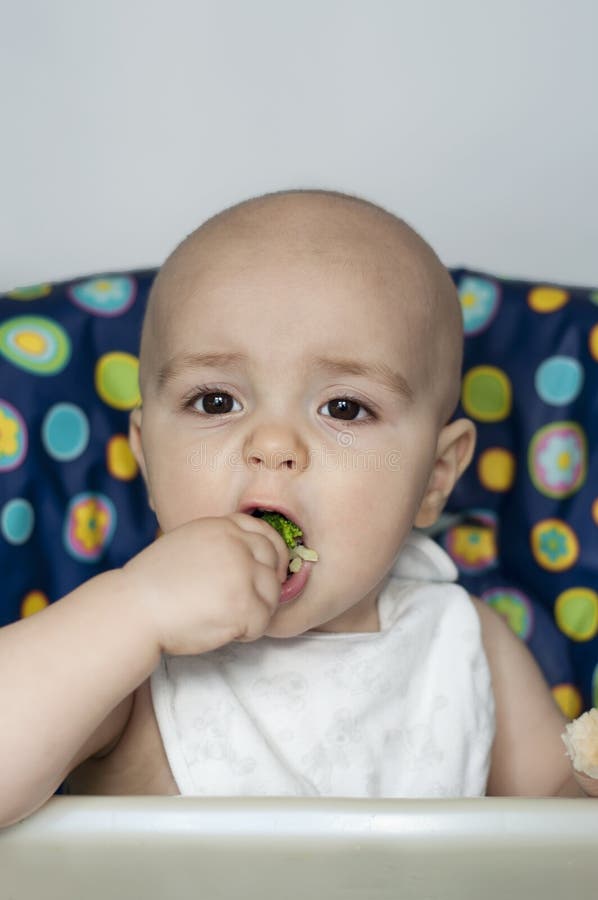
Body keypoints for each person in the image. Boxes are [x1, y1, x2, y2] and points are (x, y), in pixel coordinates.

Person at [0, 189, 591, 827]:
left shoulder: (464, 642)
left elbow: (556, 835)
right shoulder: (120, 655)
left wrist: (583, 784)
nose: (273, 446)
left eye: (345, 408)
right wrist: (136, 610)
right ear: (146, 458)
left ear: (434, 477)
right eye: (215, 402)